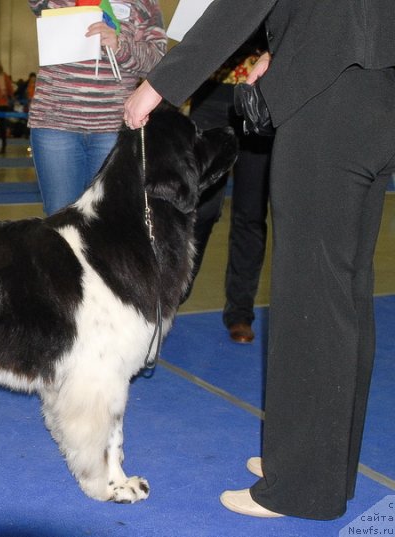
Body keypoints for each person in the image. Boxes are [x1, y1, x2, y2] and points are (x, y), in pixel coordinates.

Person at [125, 0, 395, 521]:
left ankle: (300, 486)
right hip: (379, 98)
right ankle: (323, 463)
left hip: (326, 107)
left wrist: (159, 85)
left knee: (310, 297)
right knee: (348, 292)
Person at [27, 0, 166, 215]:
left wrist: (120, 46)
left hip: (114, 130)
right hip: (54, 124)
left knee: (109, 223)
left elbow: (160, 64)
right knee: (59, 224)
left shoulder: (145, 3)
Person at [184, 33, 272, 344]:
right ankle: (172, 297)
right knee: (199, 208)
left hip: (260, 89)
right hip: (213, 90)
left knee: (250, 213)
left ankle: (240, 313)